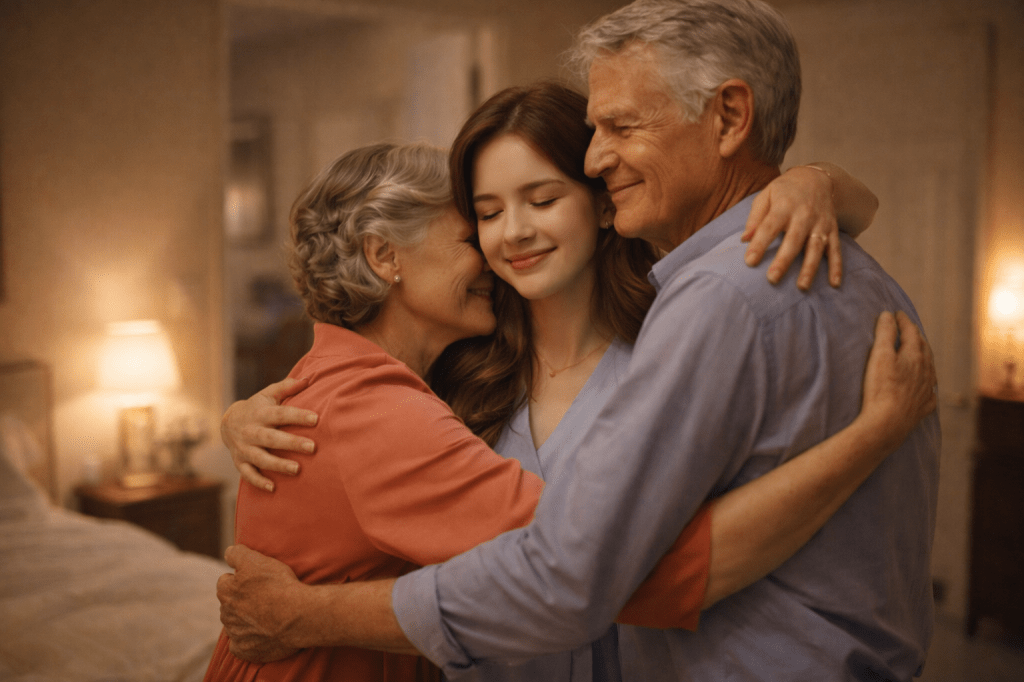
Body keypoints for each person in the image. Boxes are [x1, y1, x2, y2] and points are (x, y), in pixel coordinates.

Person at [216, 66, 936, 682]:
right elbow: (352, 439)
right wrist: (239, 417)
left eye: (542, 199)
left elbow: (617, 569)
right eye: (484, 217)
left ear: (601, 202)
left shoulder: (677, 347)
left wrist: (816, 182)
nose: (513, 233)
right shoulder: (449, 373)